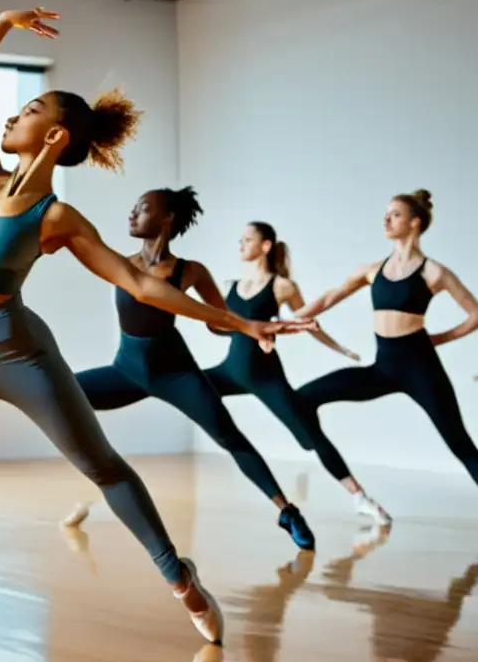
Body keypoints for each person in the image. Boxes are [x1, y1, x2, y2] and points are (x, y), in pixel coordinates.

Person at [0, 7, 313, 641]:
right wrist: (4, 23)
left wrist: (230, 318)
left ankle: (179, 577)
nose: (12, 116)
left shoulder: (56, 217)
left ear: (56, 137)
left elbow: (140, 282)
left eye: (30, 109)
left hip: (21, 358)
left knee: (103, 466)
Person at [60, 188, 317, 549]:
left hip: (177, 373)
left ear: (167, 217)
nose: (132, 214)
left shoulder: (191, 271)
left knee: (230, 436)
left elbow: (218, 320)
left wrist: (254, 326)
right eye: (134, 207)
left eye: (143, 208)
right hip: (127, 370)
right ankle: (94, 486)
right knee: (59, 394)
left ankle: (287, 511)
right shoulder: (121, 263)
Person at [201, 221, 391, 524]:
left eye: (247, 239)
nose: (241, 244)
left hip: (267, 378)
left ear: (265, 246)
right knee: (184, 383)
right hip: (230, 371)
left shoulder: (282, 286)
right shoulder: (230, 286)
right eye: (240, 239)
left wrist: (340, 348)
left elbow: (306, 323)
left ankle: (360, 497)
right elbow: (224, 329)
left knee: (310, 436)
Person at [296, 190, 478, 485]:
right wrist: (283, 321)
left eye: (395, 214)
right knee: (303, 397)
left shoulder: (434, 272)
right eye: (387, 213)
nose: (386, 219)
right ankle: (311, 444)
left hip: (423, 371)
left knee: (461, 445)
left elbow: (475, 314)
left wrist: (440, 339)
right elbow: (330, 296)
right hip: (383, 369)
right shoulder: (373, 270)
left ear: (415, 222)